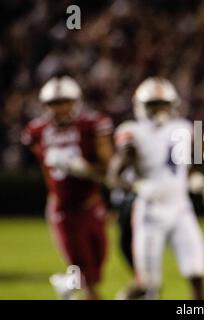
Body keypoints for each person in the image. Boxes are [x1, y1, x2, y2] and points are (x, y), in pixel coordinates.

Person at [108, 77, 204, 300]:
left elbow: (180, 170)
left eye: (163, 105)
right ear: (141, 106)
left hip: (181, 210)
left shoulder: (182, 128)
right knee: (147, 286)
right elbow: (114, 175)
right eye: (153, 105)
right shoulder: (133, 132)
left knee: (197, 272)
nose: (159, 110)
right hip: (149, 213)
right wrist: (138, 186)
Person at [21, 76, 114, 299]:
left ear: (75, 101)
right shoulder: (38, 129)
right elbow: (42, 163)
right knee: (86, 272)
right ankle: (79, 289)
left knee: (98, 262)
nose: (59, 108)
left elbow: (107, 167)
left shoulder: (91, 124)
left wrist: (82, 169)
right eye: (54, 103)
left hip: (91, 203)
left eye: (64, 102)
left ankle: (66, 285)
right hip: (63, 208)